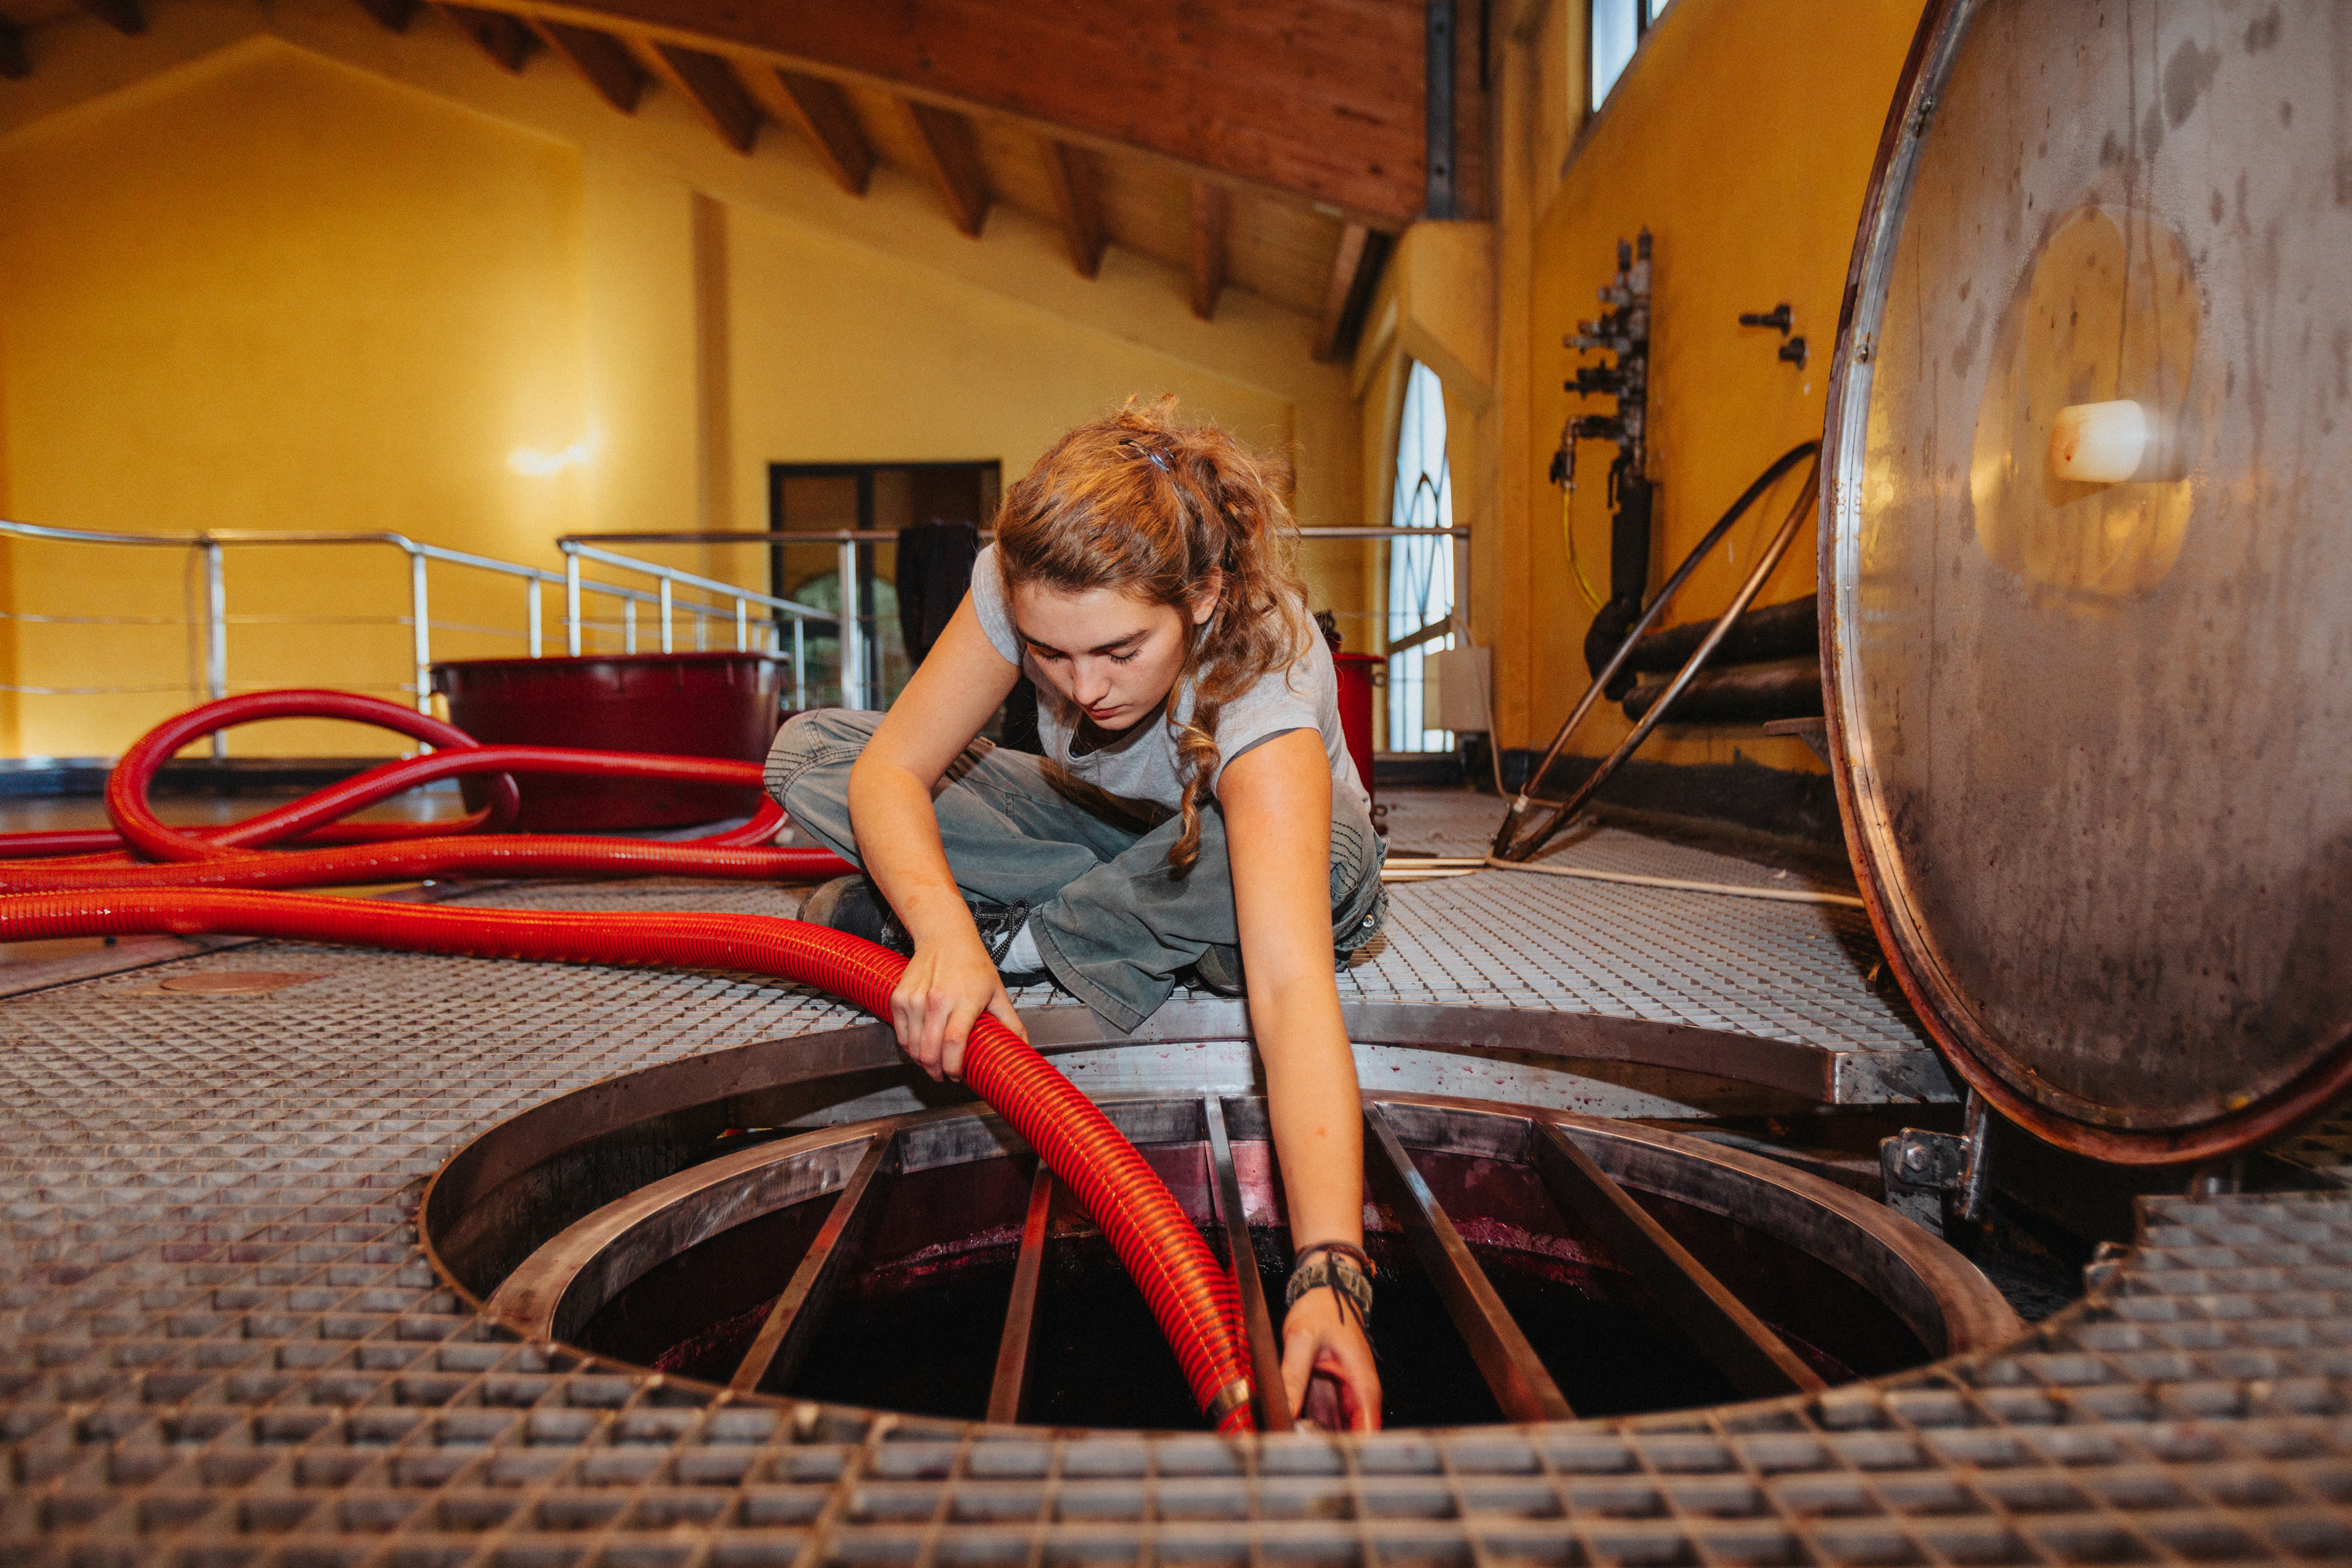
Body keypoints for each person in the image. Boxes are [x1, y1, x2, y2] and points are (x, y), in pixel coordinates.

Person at [766, 398, 1385, 1430]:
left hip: (1267, 858)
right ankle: (1035, 924)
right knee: (813, 752)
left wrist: (1330, 1271)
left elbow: (1288, 990)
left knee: (1304, 860)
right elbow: (890, 771)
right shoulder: (1018, 581)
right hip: (1111, 837)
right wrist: (944, 938)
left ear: (1201, 596)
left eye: (1119, 651)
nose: (1084, 688)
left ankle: (1028, 936)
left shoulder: (1262, 668)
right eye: (1049, 655)